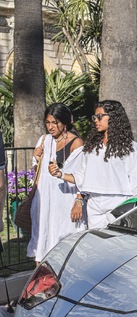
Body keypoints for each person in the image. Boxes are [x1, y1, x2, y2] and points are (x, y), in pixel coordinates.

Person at [49, 100, 137, 229]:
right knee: (97, 243)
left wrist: (127, 208)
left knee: (119, 243)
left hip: (119, 203)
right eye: (94, 117)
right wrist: (60, 174)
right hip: (94, 204)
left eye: (99, 116)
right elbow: (81, 177)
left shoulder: (128, 147)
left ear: (113, 118)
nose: (95, 120)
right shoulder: (91, 148)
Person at [28, 103, 85, 263]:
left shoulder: (76, 143)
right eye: (48, 122)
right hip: (44, 201)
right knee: (42, 239)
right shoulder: (44, 140)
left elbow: (83, 175)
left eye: (55, 122)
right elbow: (38, 172)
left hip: (65, 201)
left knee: (66, 242)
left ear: (65, 122)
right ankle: (41, 281)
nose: (51, 127)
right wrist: (38, 159)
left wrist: (78, 201)